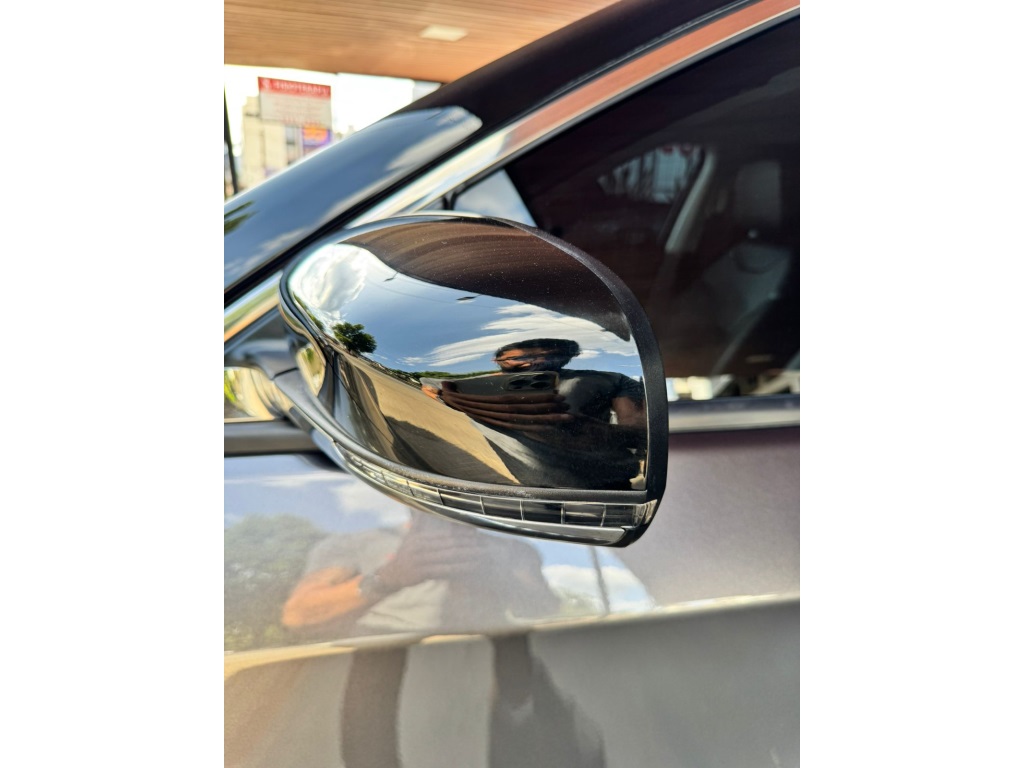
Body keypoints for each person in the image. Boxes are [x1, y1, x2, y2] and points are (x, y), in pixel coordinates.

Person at [424, 338, 647, 489]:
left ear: (569, 356)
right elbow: (427, 387)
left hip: (604, 484)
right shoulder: (469, 386)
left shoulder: (612, 379)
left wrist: (595, 433)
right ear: (497, 361)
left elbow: (641, 434)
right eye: (522, 359)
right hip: (517, 484)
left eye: (551, 355)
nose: (537, 363)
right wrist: (447, 398)